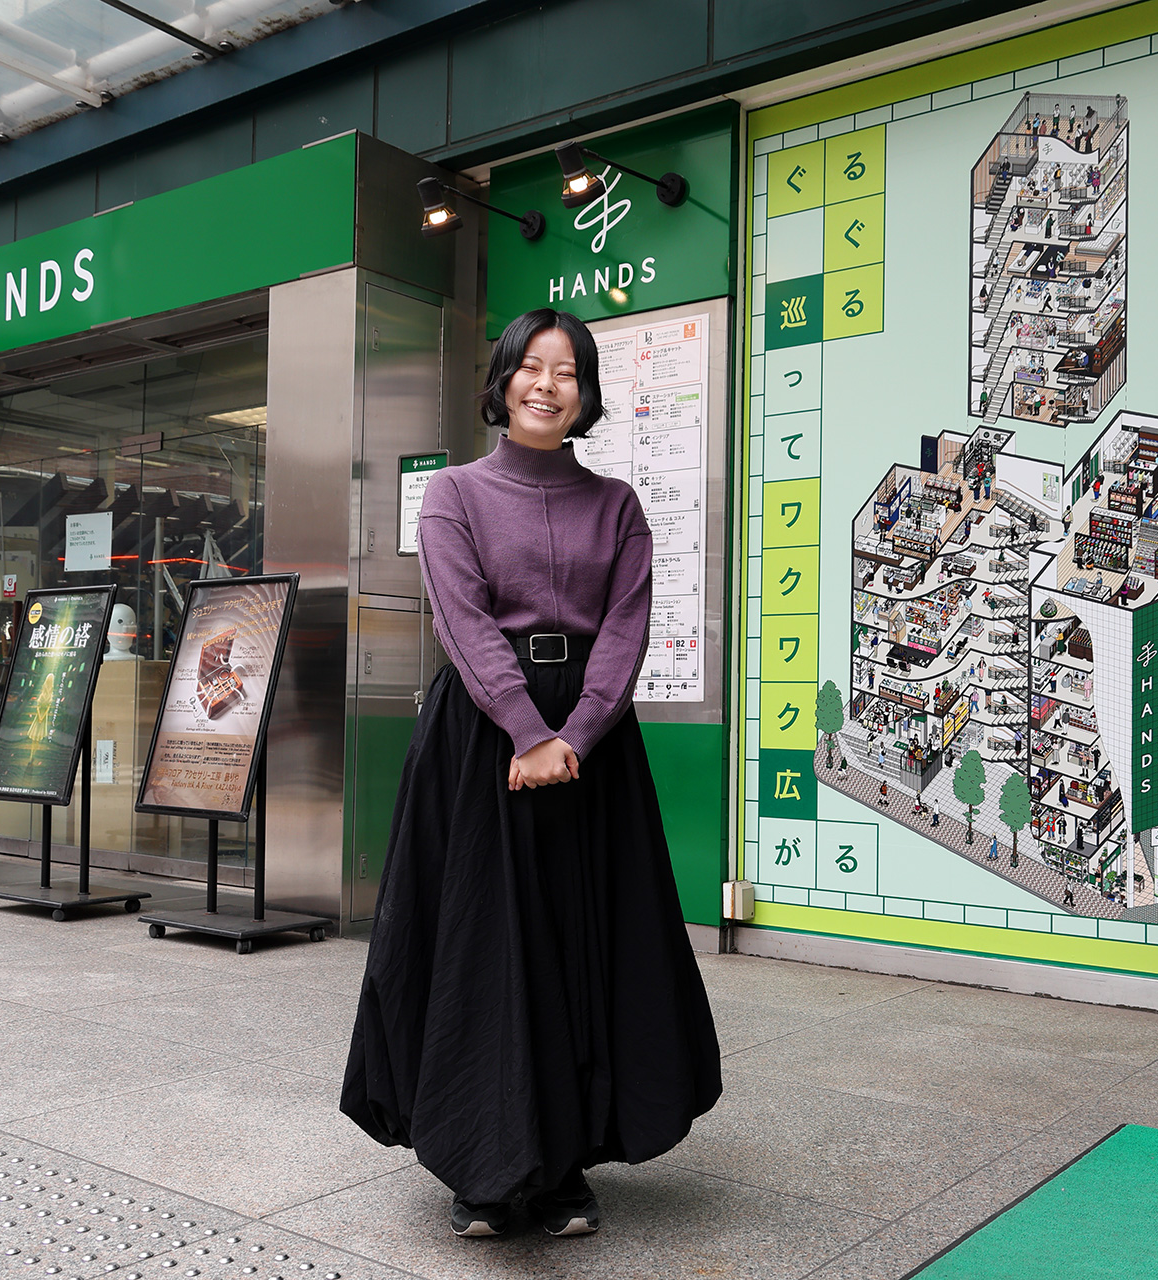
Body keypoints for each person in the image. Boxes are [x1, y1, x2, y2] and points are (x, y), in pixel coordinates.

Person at [341, 309, 721, 1240]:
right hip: (483, 736)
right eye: (532, 368)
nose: (547, 386)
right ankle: (482, 1164)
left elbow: (626, 629)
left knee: (583, 936)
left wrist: (575, 735)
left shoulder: (618, 506)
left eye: (568, 374)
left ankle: (563, 1164)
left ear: (585, 396)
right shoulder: (455, 495)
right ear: (503, 379)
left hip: (593, 740)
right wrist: (524, 728)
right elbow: (462, 621)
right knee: (484, 940)